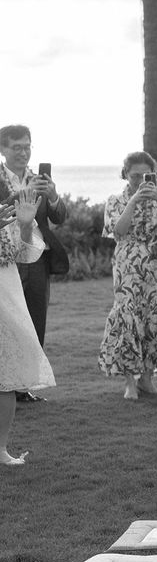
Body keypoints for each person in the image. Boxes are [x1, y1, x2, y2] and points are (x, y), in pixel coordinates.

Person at [98, 151, 157, 400]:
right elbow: (118, 231)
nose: (140, 181)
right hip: (128, 265)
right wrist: (134, 200)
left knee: (156, 316)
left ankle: (147, 379)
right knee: (128, 316)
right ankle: (129, 383)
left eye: (146, 175)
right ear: (125, 175)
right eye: (135, 176)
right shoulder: (115, 200)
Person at [0, 124, 69, 403]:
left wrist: (52, 195)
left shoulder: (39, 179)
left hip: (36, 257)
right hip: (5, 257)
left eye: (27, 146)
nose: (23, 152)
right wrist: (23, 193)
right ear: (3, 149)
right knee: (8, 322)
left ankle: (23, 386)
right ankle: (4, 382)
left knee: (35, 319)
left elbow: (60, 217)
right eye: (16, 147)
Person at [0, 193, 52, 466]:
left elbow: (25, 253)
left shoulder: (3, 213)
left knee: (5, 379)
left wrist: (25, 225)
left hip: (6, 307)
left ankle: (0, 449)